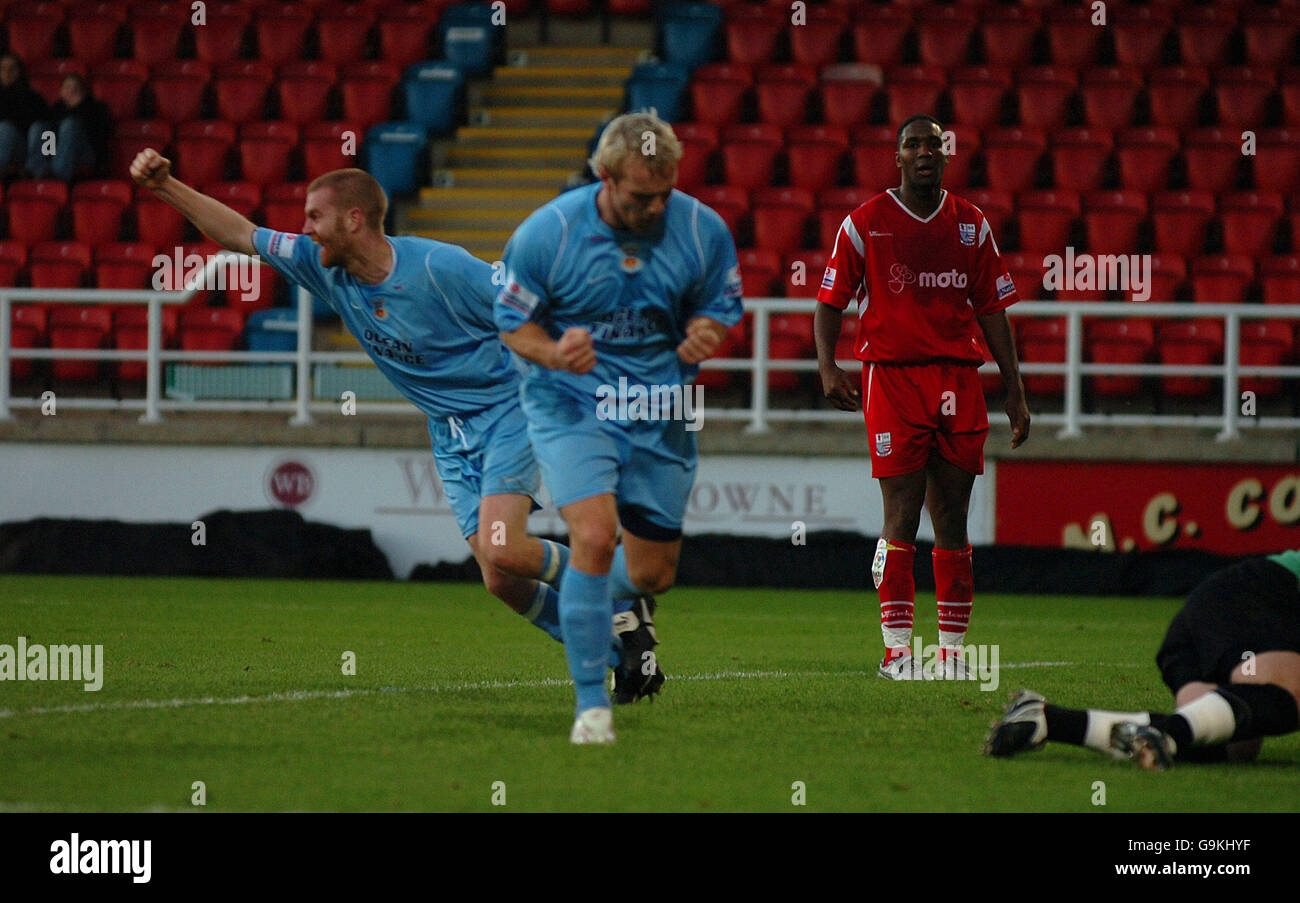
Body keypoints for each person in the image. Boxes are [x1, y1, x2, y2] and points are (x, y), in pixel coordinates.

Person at [128, 149, 657, 687]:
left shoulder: (437, 267)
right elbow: (241, 234)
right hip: (448, 431)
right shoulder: (319, 264)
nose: (305, 229)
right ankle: (620, 655)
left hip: (507, 411)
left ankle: (622, 586)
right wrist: (166, 185)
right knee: (500, 580)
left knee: (503, 544)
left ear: (353, 219)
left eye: (315, 217)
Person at [495, 111, 743, 743]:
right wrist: (553, 352)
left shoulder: (701, 228)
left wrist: (708, 330)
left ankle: (625, 604)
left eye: (665, 193)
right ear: (604, 177)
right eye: (640, 196)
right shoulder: (546, 234)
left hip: (661, 411)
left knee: (654, 573)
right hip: (571, 403)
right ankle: (591, 707)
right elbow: (512, 324)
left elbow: (720, 304)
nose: (655, 207)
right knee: (595, 537)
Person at [815, 113, 1031, 681]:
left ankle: (954, 655)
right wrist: (827, 366)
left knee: (953, 518)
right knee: (900, 515)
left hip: (958, 379)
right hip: (891, 378)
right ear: (898, 157)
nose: (924, 152)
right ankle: (897, 652)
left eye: (933, 144)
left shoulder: (971, 224)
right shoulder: (865, 222)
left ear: (945, 154)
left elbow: (992, 308)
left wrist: (1015, 388)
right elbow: (829, 301)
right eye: (912, 144)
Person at [985, 549, 1300, 769]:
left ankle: (1049, 721)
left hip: (1196, 629)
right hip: (1248, 599)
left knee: (1227, 744)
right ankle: (1170, 733)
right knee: (1290, 693)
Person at [28, 74, 113, 182]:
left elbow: (97, 136)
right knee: (39, 126)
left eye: (76, 88)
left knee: (70, 124)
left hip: (86, 153)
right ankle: (38, 172)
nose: (71, 91)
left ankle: (58, 175)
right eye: (67, 87)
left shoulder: (95, 107)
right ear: (61, 91)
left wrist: (78, 107)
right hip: (58, 152)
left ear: (84, 91)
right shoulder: (57, 108)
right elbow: (50, 136)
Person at [0, 54, 49, 177]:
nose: (7, 72)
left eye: (12, 68)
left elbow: (46, 130)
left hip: (25, 148)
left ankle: (32, 173)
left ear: (19, 72)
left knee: (7, 128)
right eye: (3, 68)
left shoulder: (32, 97)